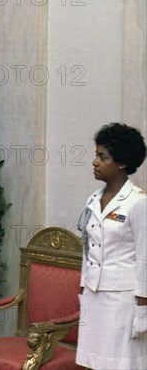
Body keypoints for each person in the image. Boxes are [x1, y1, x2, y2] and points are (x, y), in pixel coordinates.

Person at [76, 123, 147, 369]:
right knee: (95, 363)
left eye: (102, 157)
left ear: (122, 163)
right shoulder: (93, 199)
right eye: (96, 155)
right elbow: (88, 250)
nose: (95, 162)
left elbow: (145, 259)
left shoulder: (138, 203)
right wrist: (84, 288)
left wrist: (142, 310)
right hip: (94, 296)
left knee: (120, 364)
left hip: (123, 300)